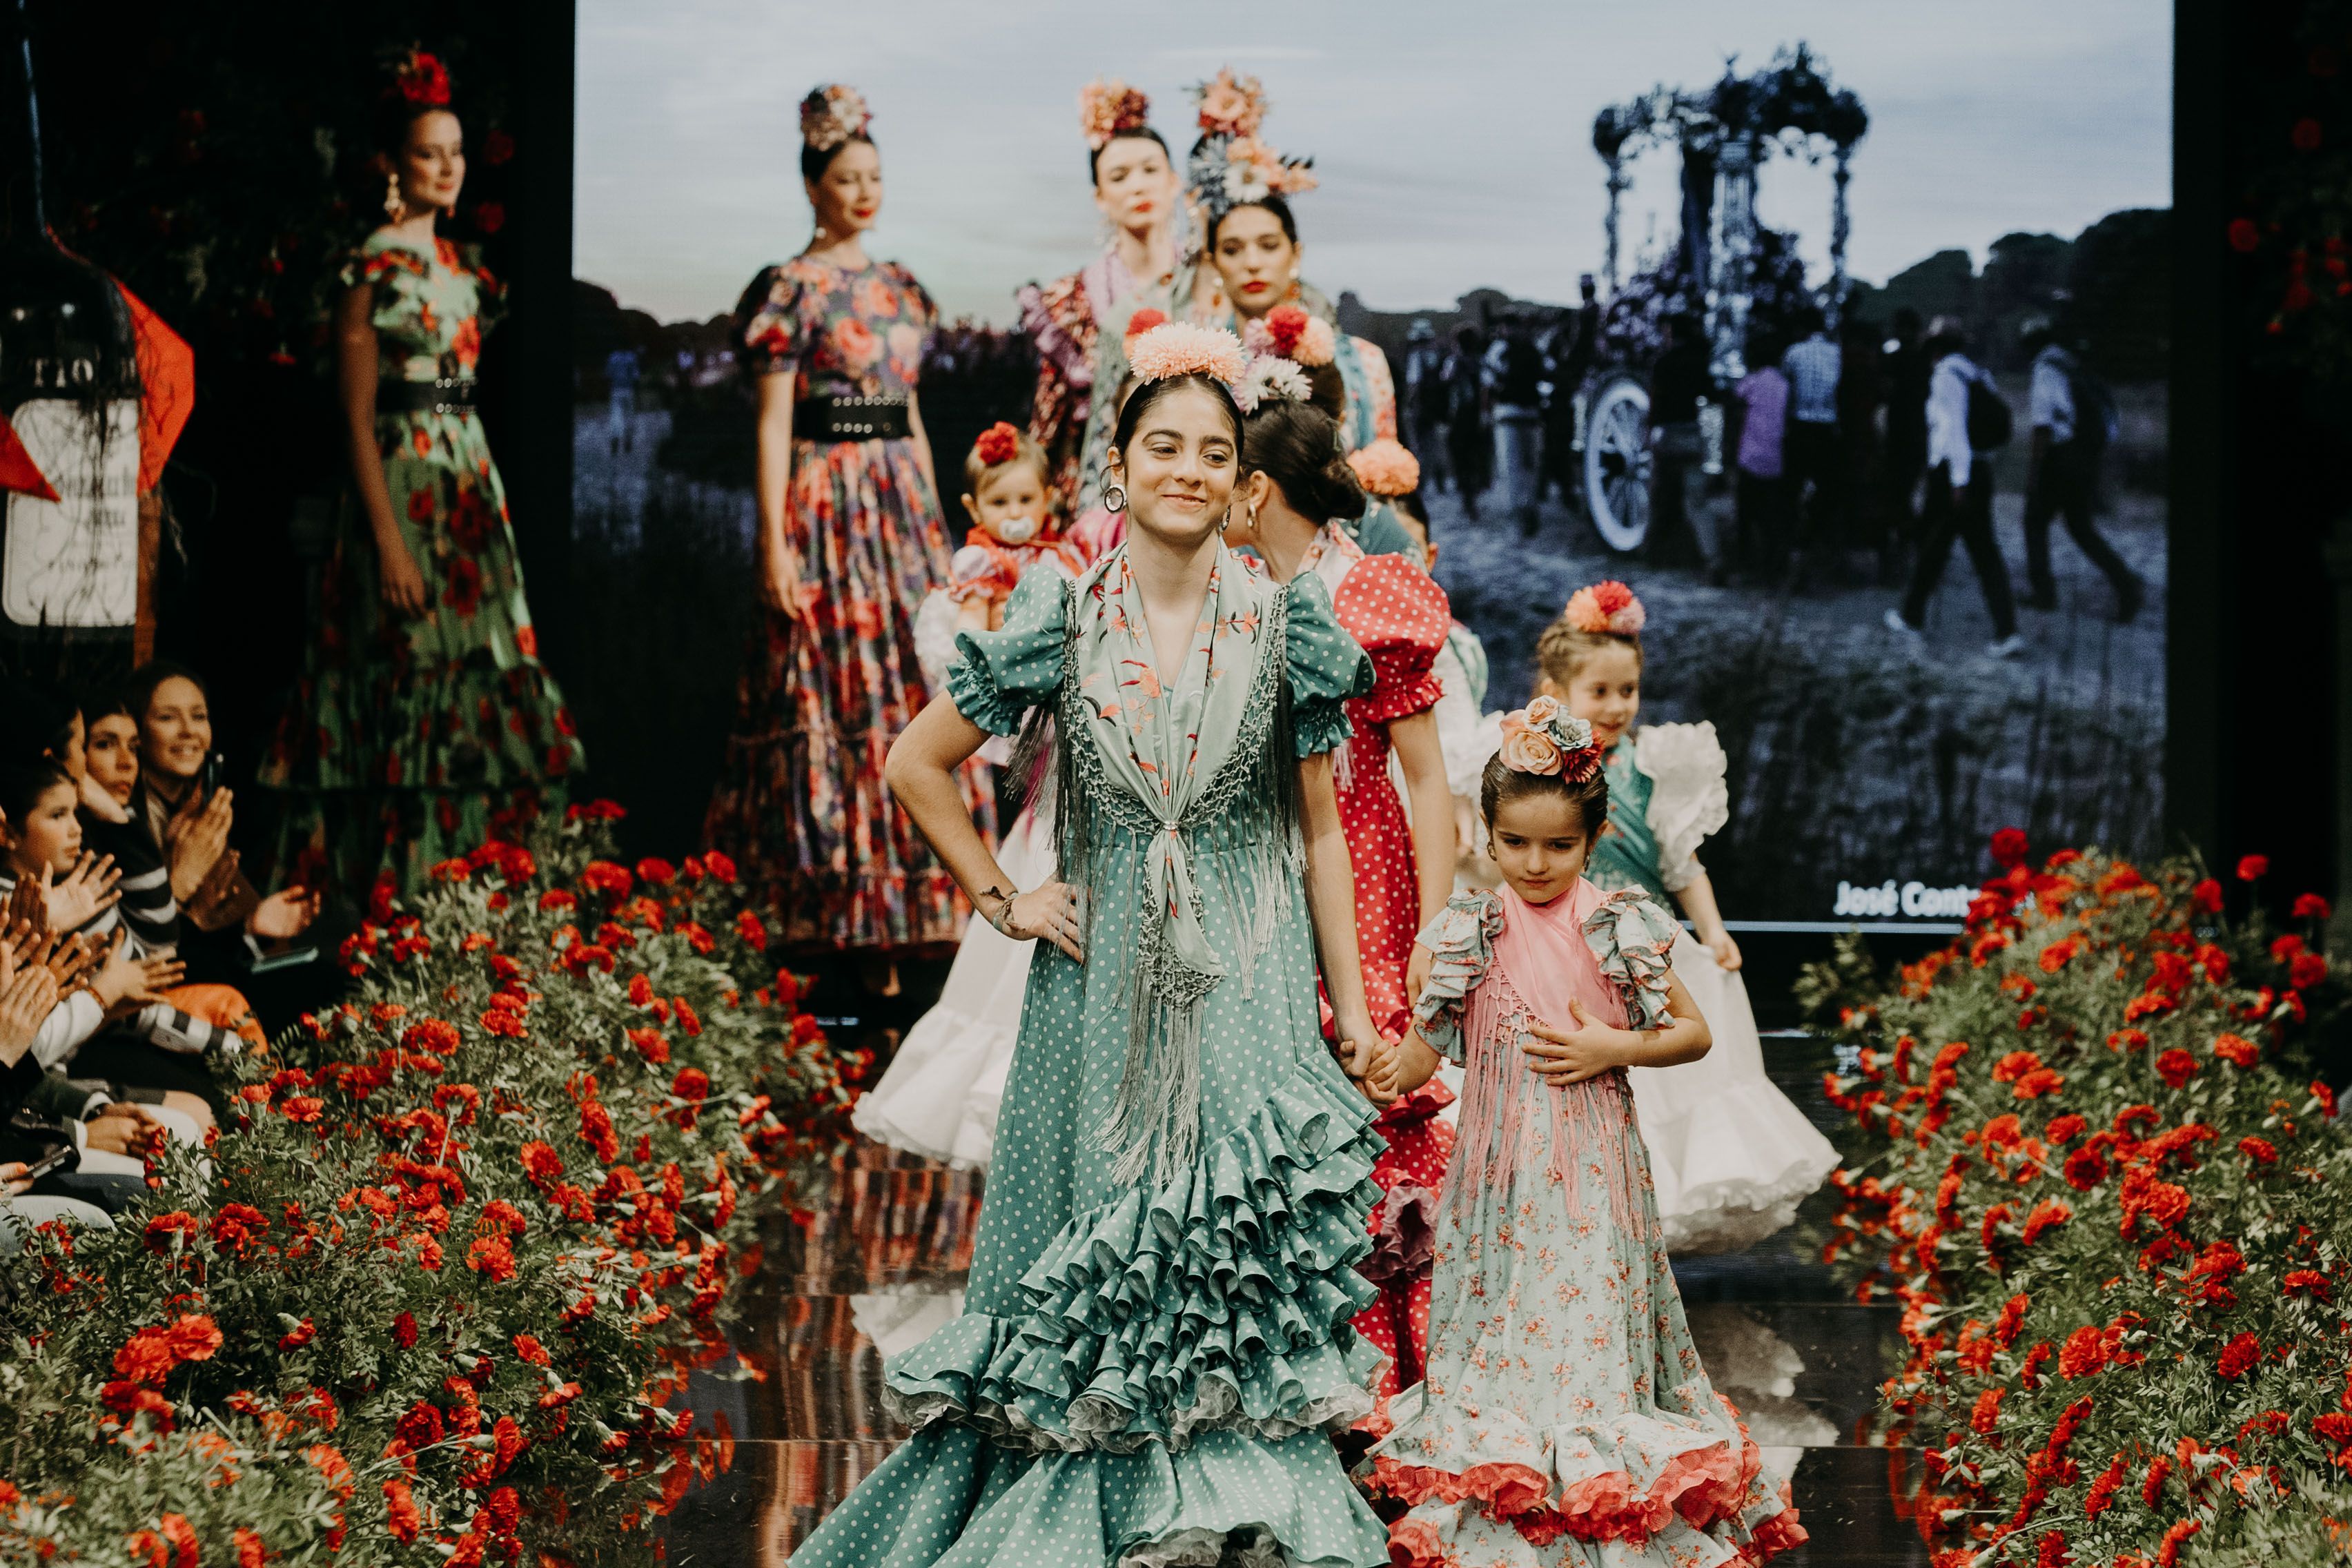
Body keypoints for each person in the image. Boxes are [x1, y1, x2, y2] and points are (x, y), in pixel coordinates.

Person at [787, 322, 1391, 1568]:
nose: (1187, 468)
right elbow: (916, 762)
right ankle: (1102, 1496)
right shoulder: (1063, 611)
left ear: (1241, 483)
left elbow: (1321, 837)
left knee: (1224, 1236)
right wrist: (1007, 899)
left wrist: (1360, 1013)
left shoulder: (1287, 625)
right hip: (1098, 978)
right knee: (1110, 1236)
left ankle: (1221, 1491)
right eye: (1161, 444)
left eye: (1212, 452)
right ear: (1114, 464)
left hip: (1249, 969)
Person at [1364, 701, 1806, 1567]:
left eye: (1559, 846)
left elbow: (1693, 1032)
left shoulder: (1617, 920)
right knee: (1506, 1310)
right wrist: (1389, 1066)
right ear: (1486, 835)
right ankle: (1517, 1466)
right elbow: (1428, 1048)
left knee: (1587, 1313)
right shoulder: (1467, 928)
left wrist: (1614, 1044)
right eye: (1516, 843)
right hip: (1495, 1173)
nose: (1536, 863)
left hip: (1589, 1165)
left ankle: (1596, 1464)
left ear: (1592, 837)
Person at [262, 50, 582, 898]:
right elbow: (356, 420)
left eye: (457, 151)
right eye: (429, 153)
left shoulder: (466, 272)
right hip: (400, 492)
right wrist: (389, 545)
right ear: (395, 168)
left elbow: (458, 392)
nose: (448, 166)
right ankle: (393, 899)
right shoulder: (373, 266)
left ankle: (470, 898)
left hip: (469, 487)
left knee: (479, 687)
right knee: (403, 683)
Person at [707, 84, 987, 959]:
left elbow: (909, 412)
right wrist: (773, 543)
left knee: (912, 679)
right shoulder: (793, 287)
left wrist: (944, 531)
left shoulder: (901, 288)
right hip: (827, 497)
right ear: (814, 186)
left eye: (875, 176)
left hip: (898, 495)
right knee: (827, 688)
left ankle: (917, 923)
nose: (865, 191)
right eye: (847, 177)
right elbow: (772, 422)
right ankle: (829, 924)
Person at [1226, 391, 1456, 1411]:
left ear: (1258, 487)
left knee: (1367, 1100)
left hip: (1363, 877)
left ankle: (1385, 1379)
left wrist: (1438, 934)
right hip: (1254, 881)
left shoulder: (1370, 594)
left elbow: (1430, 782)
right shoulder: (1229, 592)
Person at [1532, 582, 1837, 1251]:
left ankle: (1647, 1221)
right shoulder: (1538, 766)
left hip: (1644, 945)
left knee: (1658, 1080)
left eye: (1628, 691)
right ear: (1556, 691)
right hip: (1564, 950)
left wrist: (1715, 930)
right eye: (1601, 692)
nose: (1617, 707)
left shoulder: (1655, 767)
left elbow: (1682, 863)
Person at [858, 423, 1097, 1168]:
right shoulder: (996, 572)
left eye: (1029, 496)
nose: (1018, 511)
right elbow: (949, 703)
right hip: (1039, 755)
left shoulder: (1071, 562)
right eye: (1002, 499)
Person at [1019, 78, 1188, 520]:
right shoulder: (1070, 301)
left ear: (1174, 182)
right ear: (1100, 196)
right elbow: (1047, 423)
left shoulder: (1208, 280)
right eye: (1119, 176)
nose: (1138, 186)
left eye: (1151, 171)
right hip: (1102, 495)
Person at [1888, 317, 2023, 656]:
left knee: (1965, 549)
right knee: (1939, 546)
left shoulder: (1947, 376)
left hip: (1955, 475)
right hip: (1976, 470)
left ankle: (2005, 633)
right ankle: (1912, 616)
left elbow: (1955, 431)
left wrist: (1958, 482)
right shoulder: (1978, 375)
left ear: (1933, 348)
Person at [2020, 317, 2142, 622]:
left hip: (2060, 456)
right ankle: (2126, 586)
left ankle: (2044, 593)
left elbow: (2043, 426)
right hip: (2083, 457)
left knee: (2034, 521)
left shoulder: (2045, 370)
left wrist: (2034, 473)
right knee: (2081, 528)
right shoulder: (2071, 365)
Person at [1779, 304, 1843, 569]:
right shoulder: (1836, 353)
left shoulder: (1794, 353)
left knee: (1792, 486)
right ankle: (1815, 538)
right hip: (1827, 427)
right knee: (1827, 488)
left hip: (1800, 425)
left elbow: (1786, 389)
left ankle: (1794, 541)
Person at [1647, 311, 1713, 569]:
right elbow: (1709, 395)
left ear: (1671, 332)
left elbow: (1655, 402)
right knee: (1698, 502)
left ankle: (1654, 553)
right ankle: (1713, 558)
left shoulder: (1663, 363)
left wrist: (1648, 431)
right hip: (1692, 434)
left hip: (1667, 437)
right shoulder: (1700, 361)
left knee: (1660, 497)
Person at [1729, 331, 1792, 581]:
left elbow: (1735, 405)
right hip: (1776, 460)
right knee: (1771, 518)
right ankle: (1773, 567)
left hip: (1749, 458)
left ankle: (1746, 565)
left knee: (1746, 515)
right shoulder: (1785, 385)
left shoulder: (1751, 382)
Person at [1879, 306, 1930, 569]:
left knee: (1895, 497)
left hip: (1899, 436)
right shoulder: (1926, 362)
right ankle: (1912, 545)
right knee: (1904, 495)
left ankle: (1906, 547)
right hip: (1919, 435)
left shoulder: (1894, 360)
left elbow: (1885, 393)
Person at [1487, 312, 1547, 536]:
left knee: (1520, 466)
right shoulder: (1522, 349)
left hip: (1519, 413)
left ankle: (1525, 509)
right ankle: (1522, 510)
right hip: (1518, 413)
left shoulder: (1505, 351)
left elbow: (1490, 383)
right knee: (1520, 466)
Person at [1444, 322, 1491, 517]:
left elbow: (1445, 381)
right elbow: (1486, 390)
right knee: (1475, 456)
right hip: (1475, 415)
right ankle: (1473, 490)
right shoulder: (1481, 362)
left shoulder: (1454, 362)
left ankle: (1467, 494)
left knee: (1461, 456)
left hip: (1459, 416)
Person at [1400, 317, 1451, 493]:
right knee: (1436, 445)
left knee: (1421, 445)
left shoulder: (1416, 356)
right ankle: (1440, 481)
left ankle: (1421, 482)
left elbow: (1415, 383)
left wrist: (1408, 403)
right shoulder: (1437, 355)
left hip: (1421, 407)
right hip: (1437, 407)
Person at [605, 345, 640, 454]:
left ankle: (615, 437)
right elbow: (636, 376)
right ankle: (628, 441)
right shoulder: (632, 357)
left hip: (616, 389)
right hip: (628, 390)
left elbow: (608, 374)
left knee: (616, 415)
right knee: (629, 416)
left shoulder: (613, 357)